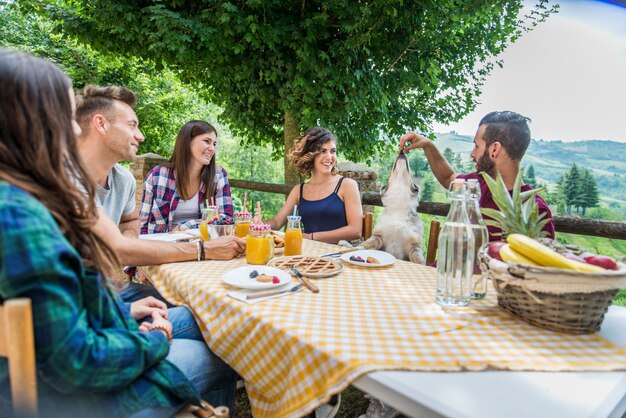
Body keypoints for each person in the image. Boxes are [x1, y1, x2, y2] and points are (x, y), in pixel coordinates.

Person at [0, 49, 235, 417]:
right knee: (225, 350)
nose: (74, 128)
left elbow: (64, 305)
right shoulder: (18, 217)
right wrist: (153, 339)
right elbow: (74, 361)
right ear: (31, 123)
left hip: (88, 333)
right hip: (67, 399)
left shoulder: (28, 196)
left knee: (211, 321)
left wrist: (122, 310)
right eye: (64, 115)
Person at [75, 85, 245, 305]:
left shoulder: (123, 179)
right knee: (201, 315)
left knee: (198, 308)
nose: (140, 135)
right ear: (101, 123)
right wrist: (202, 249)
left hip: (103, 287)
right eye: (132, 125)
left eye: (214, 143)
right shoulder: (63, 178)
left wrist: (129, 243)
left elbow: (131, 222)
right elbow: (120, 247)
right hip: (75, 299)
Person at [400, 111, 555, 240]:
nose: (472, 154)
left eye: (477, 146)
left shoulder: (536, 211)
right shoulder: (477, 182)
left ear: (494, 149)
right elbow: (448, 178)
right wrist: (427, 145)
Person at [266, 127, 363, 244]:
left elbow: (355, 231)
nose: (329, 157)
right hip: (307, 253)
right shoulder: (299, 190)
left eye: (332, 151)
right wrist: (259, 225)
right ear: (310, 155)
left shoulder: (347, 185)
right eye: (323, 151)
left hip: (339, 255)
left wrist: (310, 237)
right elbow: (276, 222)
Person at [140, 120, 233, 234]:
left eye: (214, 144)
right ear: (187, 142)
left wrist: (186, 226)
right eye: (207, 141)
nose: (212, 148)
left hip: (202, 245)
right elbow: (142, 224)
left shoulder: (218, 175)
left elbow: (227, 219)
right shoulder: (157, 176)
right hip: (161, 246)